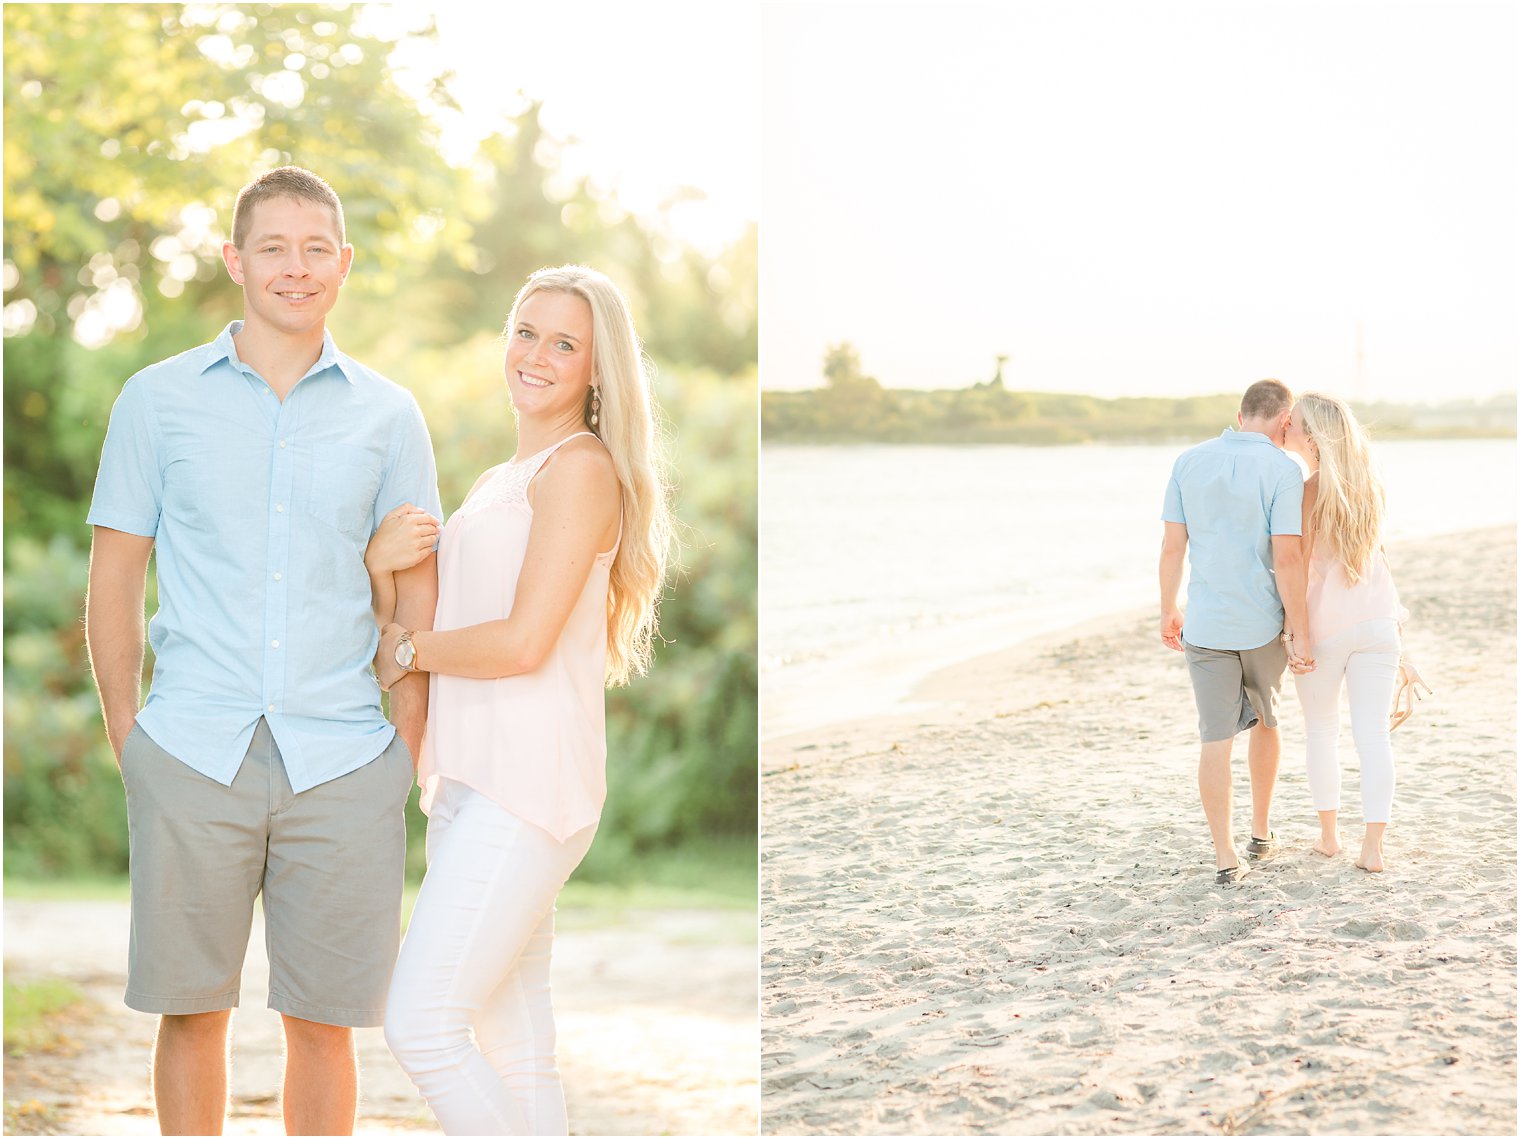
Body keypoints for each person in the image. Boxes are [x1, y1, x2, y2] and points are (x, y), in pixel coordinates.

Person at [84, 166, 441, 1136]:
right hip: (193, 743)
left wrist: (403, 738)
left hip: (343, 756)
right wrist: (129, 731)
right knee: (192, 1008)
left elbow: (414, 583)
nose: (296, 267)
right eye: (274, 247)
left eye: (316, 247)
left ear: (344, 262)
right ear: (236, 259)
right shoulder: (156, 401)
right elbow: (113, 575)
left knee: (323, 1023)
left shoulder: (389, 414)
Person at [367, 265, 671, 1135]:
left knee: (421, 1023)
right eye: (525, 331)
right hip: (476, 782)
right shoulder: (509, 474)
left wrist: (407, 650)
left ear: (597, 370)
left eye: (564, 342)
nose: (536, 355)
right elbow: (442, 620)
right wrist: (383, 576)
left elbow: (522, 640)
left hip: (526, 786)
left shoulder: (579, 471)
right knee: (517, 1048)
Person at [1158, 378, 1313, 884]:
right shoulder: (1282, 469)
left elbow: (1172, 548)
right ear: (1285, 420)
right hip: (1261, 622)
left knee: (1215, 738)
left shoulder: (1188, 461)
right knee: (1268, 722)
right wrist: (1297, 624)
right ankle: (1261, 832)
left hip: (1205, 624)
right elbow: (1287, 557)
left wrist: (1168, 609)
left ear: (1240, 412)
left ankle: (1226, 858)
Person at [1283, 392, 1412, 872]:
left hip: (1327, 625)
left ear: (1311, 436)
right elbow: (1381, 557)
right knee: (1373, 735)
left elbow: (1293, 566)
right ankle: (1373, 848)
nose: (1284, 426)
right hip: (1379, 621)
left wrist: (1297, 633)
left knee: (1321, 730)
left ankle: (1329, 837)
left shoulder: (1309, 490)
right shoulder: (1370, 485)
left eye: (1291, 422)